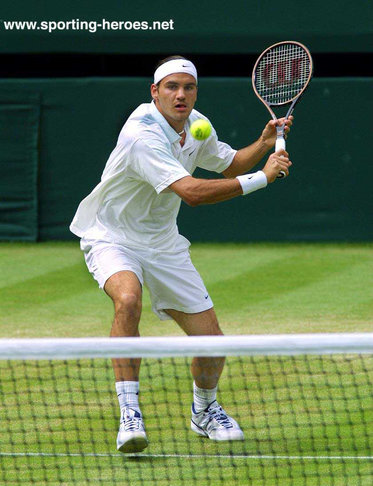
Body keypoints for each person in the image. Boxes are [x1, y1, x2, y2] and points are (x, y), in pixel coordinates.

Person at [70, 55, 292, 454]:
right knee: (128, 298)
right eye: (171, 87)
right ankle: (129, 413)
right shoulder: (142, 134)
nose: (181, 95)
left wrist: (262, 142)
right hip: (111, 236)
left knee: (212, 342)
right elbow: (191, 193)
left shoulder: (195, 124)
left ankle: (204, 412)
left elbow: (226, 165)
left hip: (163, 242)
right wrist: (262, 177)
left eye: (188, 87)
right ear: (154, 92)